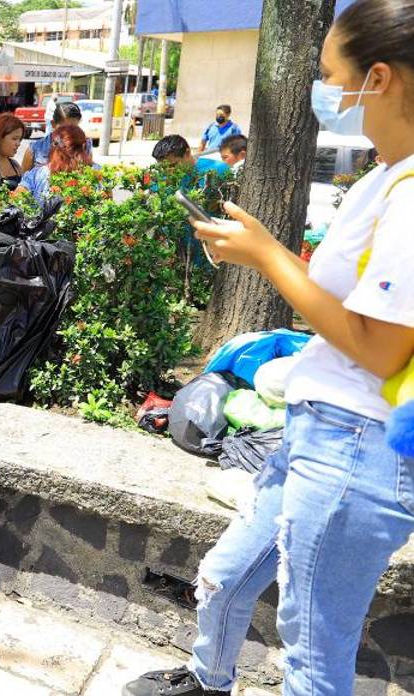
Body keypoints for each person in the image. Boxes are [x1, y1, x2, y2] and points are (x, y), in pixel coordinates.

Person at [124, 2, 414, 694]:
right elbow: (350, 304)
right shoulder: (385, 175)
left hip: (358, 446)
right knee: (226, 577)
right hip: (321, 431)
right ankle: (207, 680)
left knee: (312, 662)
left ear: (379, 78)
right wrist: (271, 251)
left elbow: (383, 351)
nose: (326, 93)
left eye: (329, 75)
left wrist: (267, 258)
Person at [18, 124, 93, 201]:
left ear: (54, 146)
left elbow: (16, 199)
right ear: (84, 146)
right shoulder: (96, 175)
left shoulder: (37, 175)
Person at [22, 102, 91, 173]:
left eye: (74, 128)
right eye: (64, 129)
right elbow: (24, 179)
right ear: (53, 124)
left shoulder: (85, 145)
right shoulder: (35, 149)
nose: (70, 133)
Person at [152, 134, 232, 183]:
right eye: (163, 167)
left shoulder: (219, 170)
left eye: (173, 165)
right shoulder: (162, 178)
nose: (168, 172)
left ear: (187, 153)